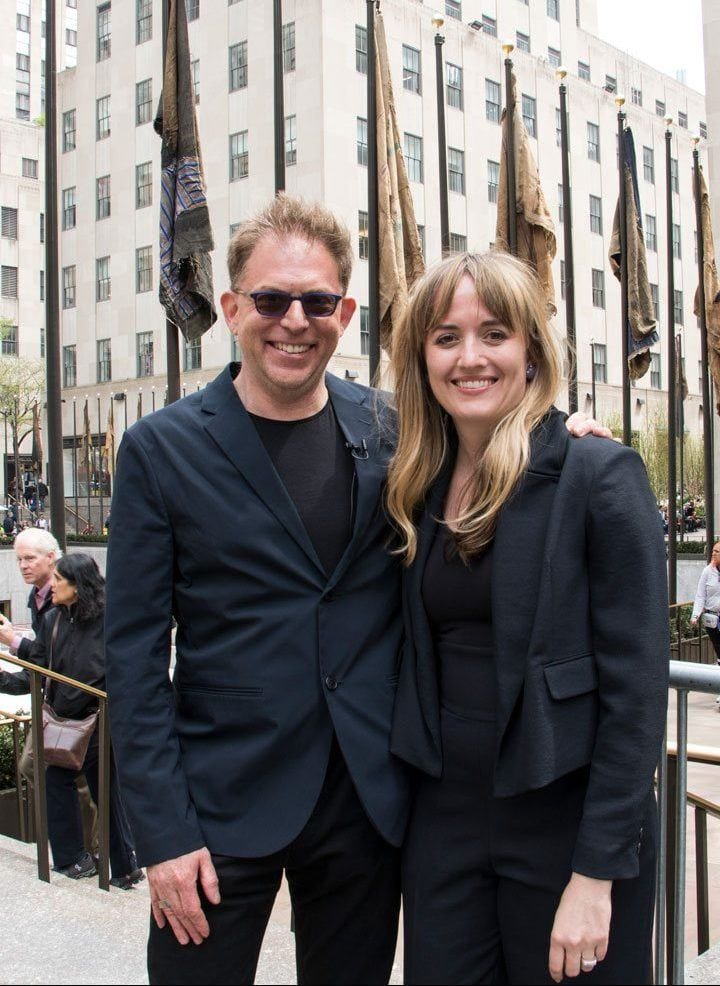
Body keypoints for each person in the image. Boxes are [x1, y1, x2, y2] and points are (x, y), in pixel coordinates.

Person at [105, 197, 606, 986]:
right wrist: (161, 832)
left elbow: (493, 430)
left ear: (344, 310)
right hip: (217, 808)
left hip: (364, 803)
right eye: (271, 300)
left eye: (315, 301)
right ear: (234, 308)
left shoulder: (395, 428)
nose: (293, 321)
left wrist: (568, 432)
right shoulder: (160, 450)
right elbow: (131, 660)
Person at [387, 252, 669, 985]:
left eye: (495, 334)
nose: (469, 357)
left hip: (566, 823)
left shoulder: (597, 475)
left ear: (533, 351)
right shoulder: (415, 481)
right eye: (446, 337)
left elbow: (635, 697)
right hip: (444, 821)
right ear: (421, 356)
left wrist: (596, 874)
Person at [0, 553, 143, 889]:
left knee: (105, 793)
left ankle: (121, 866)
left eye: (60, 580)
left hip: (101, 721)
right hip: (64, 722)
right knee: (57, 781)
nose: (54, 586)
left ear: (78, 586)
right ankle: (75, 860)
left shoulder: (110, 619)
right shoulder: (52, 621)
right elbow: (38, 671)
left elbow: (120, 669)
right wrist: (4, 680)